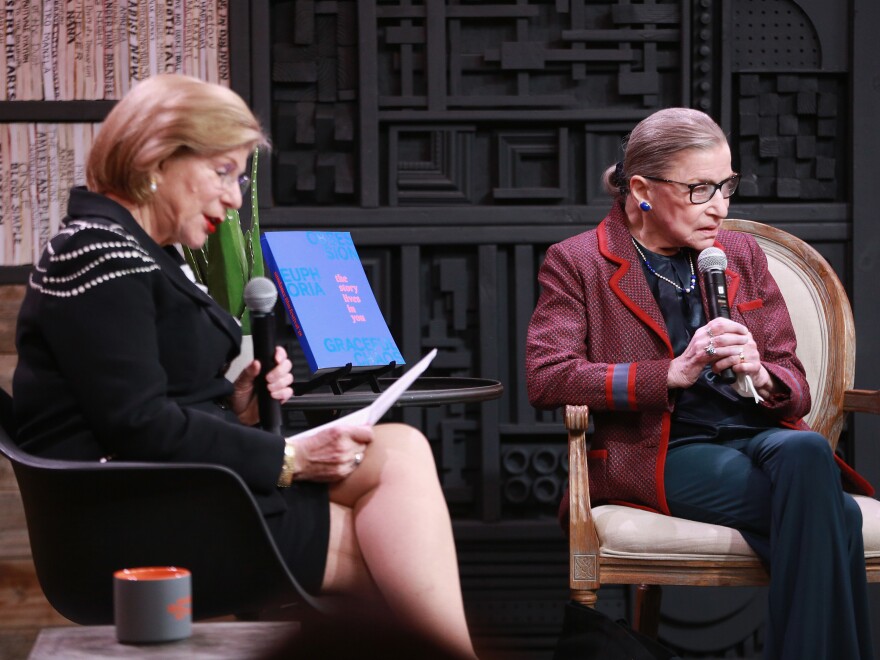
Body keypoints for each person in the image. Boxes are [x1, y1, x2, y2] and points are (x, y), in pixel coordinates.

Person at [12, 73, 475, 658]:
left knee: (401, 452)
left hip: (172, 492)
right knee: (390, 560)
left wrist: (237, 405)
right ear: (157, 156)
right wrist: (288, 457)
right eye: (223, 171)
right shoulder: (99, 252)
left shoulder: (133, 249)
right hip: (131, 517)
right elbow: (137, 424)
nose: (235, 199)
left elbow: (140, 400)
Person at [525, 107, 875, 659]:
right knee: (839, 513)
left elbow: (794, 379)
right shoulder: (579, 262)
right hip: (660, 449)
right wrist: (666, 373)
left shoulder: (738, 253)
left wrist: (761, 371)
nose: (720, 206)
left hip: (757, 435)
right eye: (699, 189)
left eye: (726, 185)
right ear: (641, 188)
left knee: (807, 447)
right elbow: (548, 376)